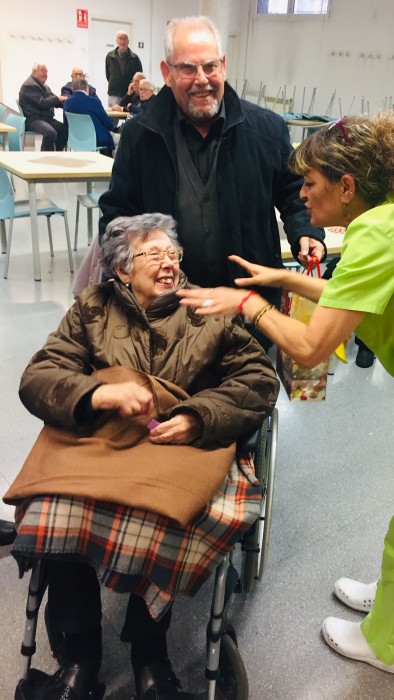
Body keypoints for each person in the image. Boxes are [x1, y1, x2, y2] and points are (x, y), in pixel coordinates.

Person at [178, 114, 394, 674]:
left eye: (310, 183)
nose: (301, 195)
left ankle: (386, 644)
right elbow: (355, 292)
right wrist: (283, 278)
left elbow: (310, 347)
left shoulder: (379, 236)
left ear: (347, 186)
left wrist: (248, 304)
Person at [4, 212, 278, 700]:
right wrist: (98, 393)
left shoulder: (210, 309)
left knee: (167, 519)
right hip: (104, 440)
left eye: (173, 253)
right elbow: (39, 377)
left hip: (177, 443)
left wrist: (198, 415)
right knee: (54, 508)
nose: (169, 263)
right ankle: (80, 655)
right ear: (122, 270)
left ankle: (150, 655)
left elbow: (258, 380)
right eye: (153, 254)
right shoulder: (92, 308)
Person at [97, 15, 325, 320]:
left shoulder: (267, 130)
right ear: (166, 73)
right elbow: (118, 213)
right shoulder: (141, 135)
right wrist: (122, 277)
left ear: (224, 66)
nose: (202, 79)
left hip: (249, 309)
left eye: (210, 66)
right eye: (188, 68)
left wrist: (306, 231)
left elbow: (294, 190)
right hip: (168, 313)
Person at [19, 63, 67, 151]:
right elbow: (42, 103)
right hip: (33, 120)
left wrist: (67, 103)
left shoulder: (44, 86)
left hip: (46, 119)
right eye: (42, 71)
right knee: (50, 133)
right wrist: (58, 98)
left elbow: (53, 100)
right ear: (34, 71)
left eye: (46, 72)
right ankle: (46, 157)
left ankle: (56, 154)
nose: (45, 74)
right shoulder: (29, 85)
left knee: (65, 130)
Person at [64, 78, 115, 156]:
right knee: (120, 139)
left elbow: (66, 125)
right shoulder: (94, 101)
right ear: (86, 88)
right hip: (97, 140)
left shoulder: (67, 103)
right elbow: (109, 124)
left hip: (75, 140)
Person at [106, 30, 143, 106]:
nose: (123, 41)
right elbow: (108, 75)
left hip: (130, 94)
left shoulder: (135, 58)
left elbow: (140, 76)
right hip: (114, 94)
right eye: (120, 38)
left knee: (128, 112)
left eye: (125, 39)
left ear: (128, 41)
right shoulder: (109, 56)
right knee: (113, 113)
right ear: (116, 41)